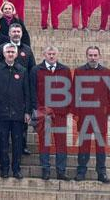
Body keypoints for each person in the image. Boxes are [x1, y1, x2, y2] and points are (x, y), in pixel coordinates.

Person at [0, 43, 32, 179]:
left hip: (18, 113)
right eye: (8, 52)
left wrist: (27, 112)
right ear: (4, 53)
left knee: (18, 144)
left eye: (13, 52)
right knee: (3, 142)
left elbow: (27, 93)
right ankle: (5, 168)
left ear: (17, 54)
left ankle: (16, 169)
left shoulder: (22, 70)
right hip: (1, 113)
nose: (11, 54)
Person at [29, 45, 72, 180]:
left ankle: (61, 170)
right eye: (49, 54)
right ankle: (45, 169)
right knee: (45, 142)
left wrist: (67, 109)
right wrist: (37, 109)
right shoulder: (36, 70)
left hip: (60, 113)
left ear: (57, 55)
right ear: (44, 55)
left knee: (61, 142)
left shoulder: (65, 70)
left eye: (53, 54)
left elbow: (70, 90)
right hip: (43, 113)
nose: (51, 56)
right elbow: (32, 91)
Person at [73, 46, 110, 183]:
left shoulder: (106, 72)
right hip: (84, 114)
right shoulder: (79, 71)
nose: (93, 57)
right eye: (90, 55)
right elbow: (74, 94)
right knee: (83, 144)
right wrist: (75, 113)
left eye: (95, 55)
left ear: (99, 56)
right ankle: (81, 171)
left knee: (100, 144)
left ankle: (101, 172)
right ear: (86, 56)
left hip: (100, 115)